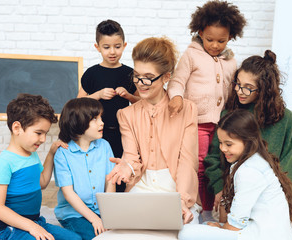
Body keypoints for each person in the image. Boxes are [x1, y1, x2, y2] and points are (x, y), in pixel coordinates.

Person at [106, 37, 200, 225]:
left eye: (148, 77)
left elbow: (187, 162)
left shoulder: (187, 110)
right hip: (141, 187)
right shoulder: (126, 115)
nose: (140, 83)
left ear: (166, 77)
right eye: (136, 75)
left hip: (175, 188)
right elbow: (132, 157)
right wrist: (127, 166)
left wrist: (181, 200)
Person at [167, 0, 246, 221]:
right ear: (200, 32)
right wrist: (175, 97)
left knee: (219, 165)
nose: (215, 45)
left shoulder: (230, 61)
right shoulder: (191, 55)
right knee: (200, 165)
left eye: (221, 40)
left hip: (222, 124)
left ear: (231, 36)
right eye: (210, 39)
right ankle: (201, 207)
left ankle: (217, 206)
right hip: (198, 122)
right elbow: (177, 82)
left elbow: (233, 89)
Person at [179, 109, 292, 240]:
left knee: (185, 232)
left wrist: (219, 229)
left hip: (262, 235)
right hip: (264, 231)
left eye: (228, 144)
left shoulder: (249, 171)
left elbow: (235, 224)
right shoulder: (253, 161)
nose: (223, 148)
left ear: (247, 141)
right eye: (220, 142)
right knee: (205, 225)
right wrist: (217, 227)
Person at [204, 50, 292, 213]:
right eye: (238, 84)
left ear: (264, 90)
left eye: (248, 88)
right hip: (233, 198)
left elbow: (289, 167)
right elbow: (214, 158)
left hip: (269, 199)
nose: (240, 91)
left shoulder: (285, 119)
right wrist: (219, 188)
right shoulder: (228, 114)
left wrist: (281, 202)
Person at [0, 94, 81, 240]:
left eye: (45, 133)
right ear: (17, 128)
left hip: (34, 222)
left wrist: (50, 154)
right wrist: (31, 227)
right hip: (7, 228)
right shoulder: (3, 163)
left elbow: (42, 182)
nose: (43, 139)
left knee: (75, 238)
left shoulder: (32, 155)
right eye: (39, 133)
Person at [77, 19, 139, 166]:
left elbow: (143, 102)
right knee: (98, 167)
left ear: (124, 46)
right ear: (97, 47)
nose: (112, 52)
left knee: (119, 167)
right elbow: (77, 104)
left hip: (123, 132)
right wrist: (97, 95)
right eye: (106, 47)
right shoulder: (92, 73)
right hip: (95, 132)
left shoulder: (130, 73)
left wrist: (129, 96)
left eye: (117, 47)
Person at [53, 98, 116, 240]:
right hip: (74, 214)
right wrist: (94, 219)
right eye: (95, 119)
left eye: (101, 117)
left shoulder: (104, 146)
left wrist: (108, 215)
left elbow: (110, 181)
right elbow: (69, 194)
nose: (102, 122)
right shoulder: (63, 153)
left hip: (102, 211)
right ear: (78, 122)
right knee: (95, 236)